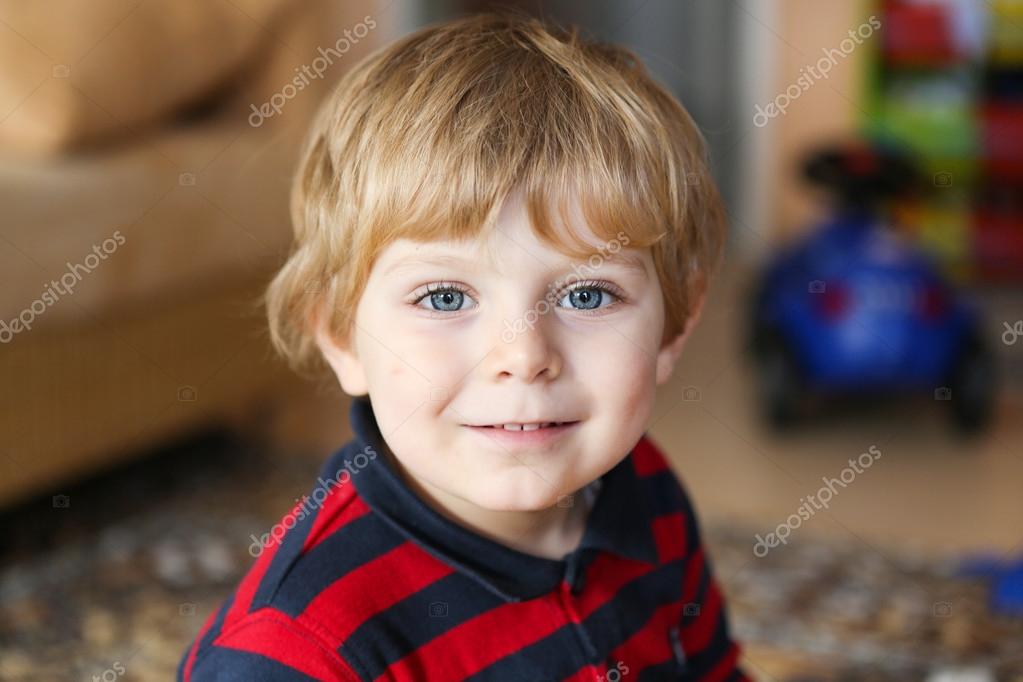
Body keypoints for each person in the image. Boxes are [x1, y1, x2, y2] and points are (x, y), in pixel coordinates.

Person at [178, 10, 749, 680]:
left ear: (674, 325)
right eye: (445, 297)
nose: (523, 355)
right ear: (339, 335)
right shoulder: (300, 651)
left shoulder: (642, 485)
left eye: (586, 295)